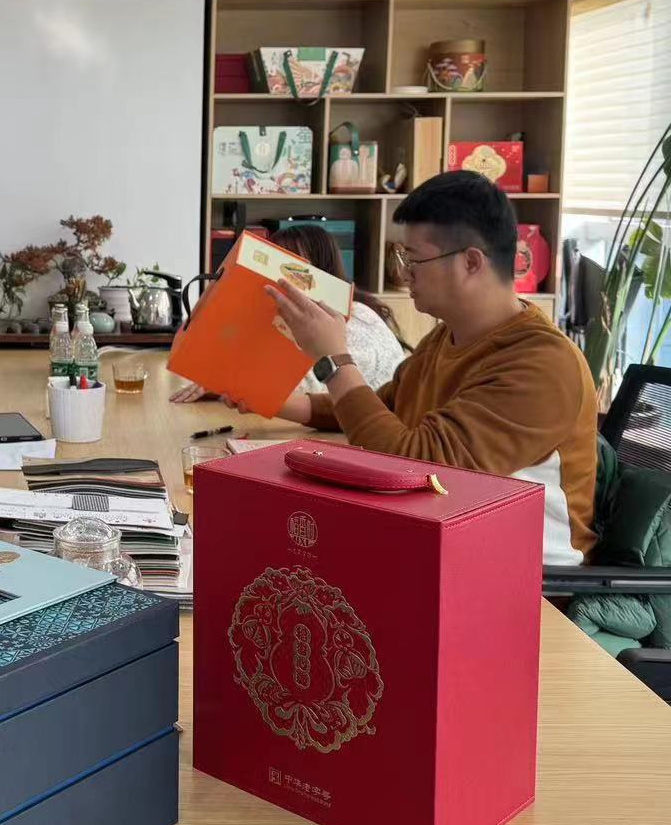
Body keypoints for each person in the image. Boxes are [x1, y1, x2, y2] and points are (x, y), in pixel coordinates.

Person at [243, 172, 598, 565]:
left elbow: (415, 469)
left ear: (471, 262)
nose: (403, 273)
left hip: (524, 572)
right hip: (444, 538)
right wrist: (262, 397)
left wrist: (335, 359)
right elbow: (379, 412)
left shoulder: (543, 365)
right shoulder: (448, 337)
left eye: (414, 260)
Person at [171, 224, 406, 400]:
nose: (280, 280)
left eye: (292, 268)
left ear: (321, 271)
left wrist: (225, 382)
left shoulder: (354, 319)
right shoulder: (300, 318)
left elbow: (315, 386)